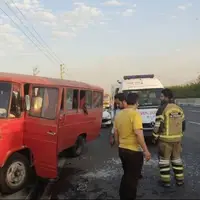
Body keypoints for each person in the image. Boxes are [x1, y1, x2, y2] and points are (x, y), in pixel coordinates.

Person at [114, 93, 151, 200]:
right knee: (132, 179)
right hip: (133, 151)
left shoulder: (119, 115)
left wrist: (119, 146)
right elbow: (138, 134)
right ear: (136, 102)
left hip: (122, 149)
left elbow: (116, 134)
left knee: (126, 175)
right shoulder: (135, 114)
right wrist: (146, 151)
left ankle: (123, 196)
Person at [152, 88, 185, 187]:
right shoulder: (179, 108)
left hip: (165, 140)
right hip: (177, 140)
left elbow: (158, 125)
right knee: (177, 160)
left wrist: (154, 136)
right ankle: (180, 180)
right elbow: (183, 125)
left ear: (166, 97)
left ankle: (166, 182)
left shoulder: (162, 109)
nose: (160, 98)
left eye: (161, 96)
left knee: (164, 161)